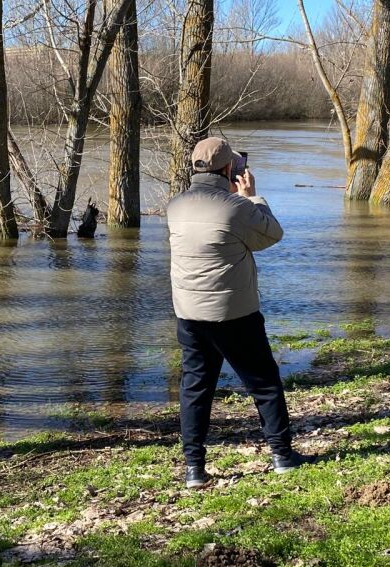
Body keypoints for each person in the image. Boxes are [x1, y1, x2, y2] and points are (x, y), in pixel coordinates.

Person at [167, 136, 313, 488]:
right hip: (234, 314)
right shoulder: (235, 207)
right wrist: (252, 196)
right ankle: (282, 456)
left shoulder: (175, 206)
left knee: (196, 389)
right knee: (263, 382)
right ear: (229, 168)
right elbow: (272, 234)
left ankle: (194, 469)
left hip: (189, 315)